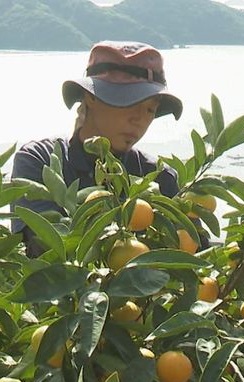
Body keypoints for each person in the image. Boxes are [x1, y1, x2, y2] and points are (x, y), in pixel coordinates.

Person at [11, 41, 186, 256]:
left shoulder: (158, 178)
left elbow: (189, 256)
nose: (139, 119)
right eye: (129, 102)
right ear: (90, 97)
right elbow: (45, 245)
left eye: (150, 109)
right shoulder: (40, 160)